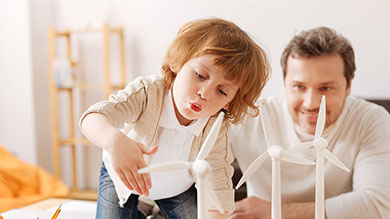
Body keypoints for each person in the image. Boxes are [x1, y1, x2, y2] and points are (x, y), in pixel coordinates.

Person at [80, 18, 270, 219]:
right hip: (124, 175)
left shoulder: (216, 124)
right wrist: (113, 140)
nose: (204, 93)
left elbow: (217, 177)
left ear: (230, 102)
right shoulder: (147, 92)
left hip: (176, 187)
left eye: (221, 91)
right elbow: (94, 117)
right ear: (178, 62)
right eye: (200, 75)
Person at [228, 26, 390, 219]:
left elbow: (378, 204)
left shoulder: (371, 119)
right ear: (285, 83)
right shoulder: (248, 117)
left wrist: (275, 212)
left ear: (348, 86)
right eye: (299, 87)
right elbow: (203, 171)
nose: (311, 103)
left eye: (325, 88)